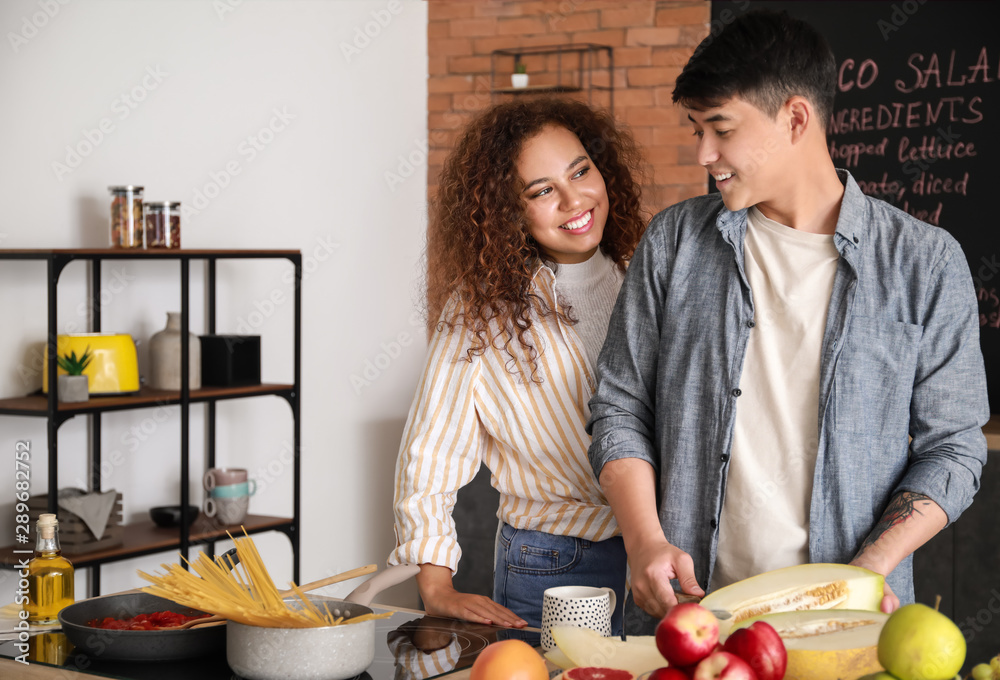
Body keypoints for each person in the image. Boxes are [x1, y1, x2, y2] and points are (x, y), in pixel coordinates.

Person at [587, 9, 989, 634]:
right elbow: (619, 406)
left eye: (720, 128)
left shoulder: (925, 263)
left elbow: (954, 447)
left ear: (795, 118)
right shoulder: (673, 243)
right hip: (691, 623)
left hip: (846, 630)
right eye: (696, 130)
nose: (704, 153)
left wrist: (868, 571)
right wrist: (643, 542)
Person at [388, 97, 648, 632]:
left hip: (660, 557)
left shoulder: (645, 276)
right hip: (553, 562)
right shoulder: (483, 309)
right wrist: (435, 585)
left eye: (581, 171)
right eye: (543, 190)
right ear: (509, 211)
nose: (575, 199)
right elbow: (430, 450)